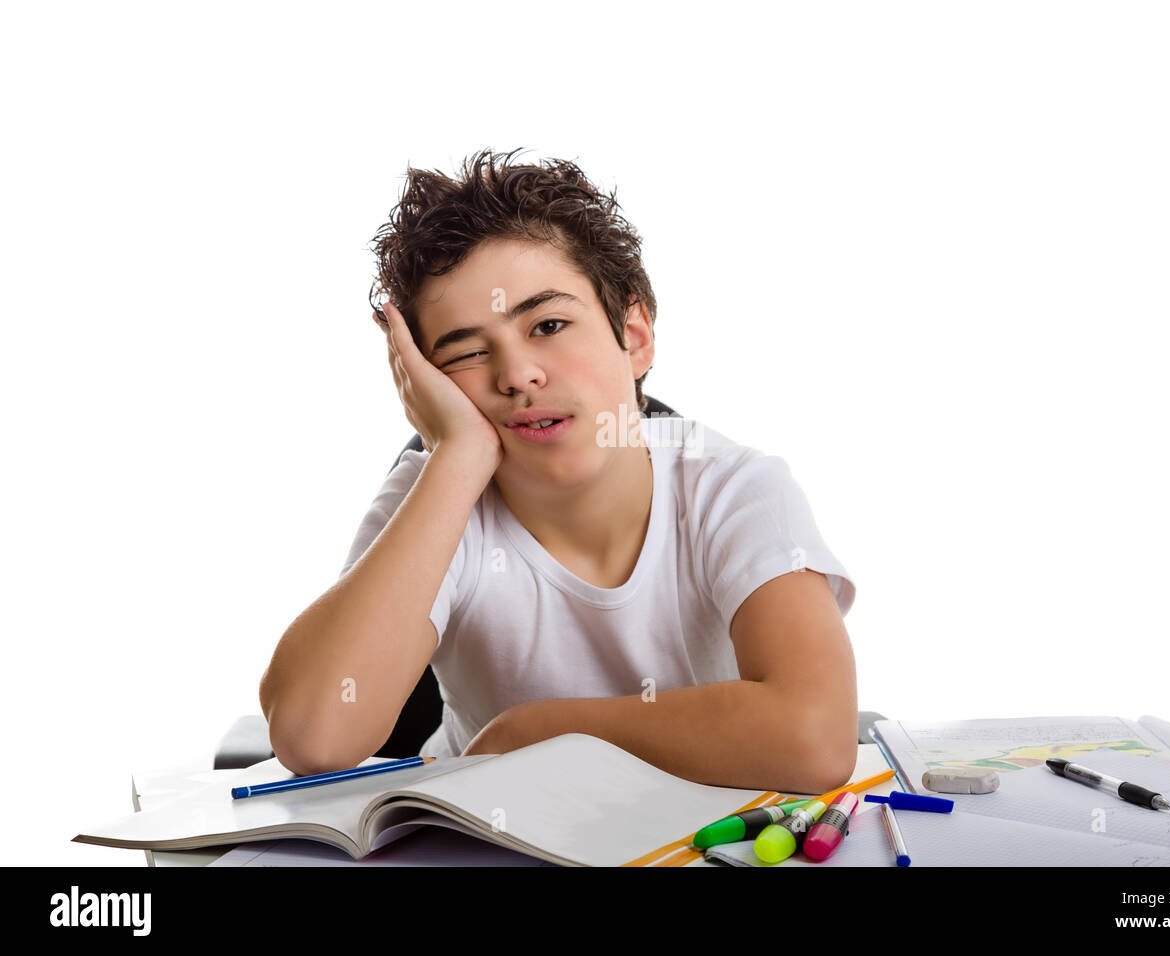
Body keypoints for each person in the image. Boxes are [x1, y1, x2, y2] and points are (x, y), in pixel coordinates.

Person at [258, 148, 859, 795]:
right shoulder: (436, 491)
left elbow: (814, 737)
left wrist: (539, 732)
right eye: (466, 354)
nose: (517, 375)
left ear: (634, 336)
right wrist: (456, 458)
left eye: (547, 324)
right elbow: (315, 733)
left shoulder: (735, 489)